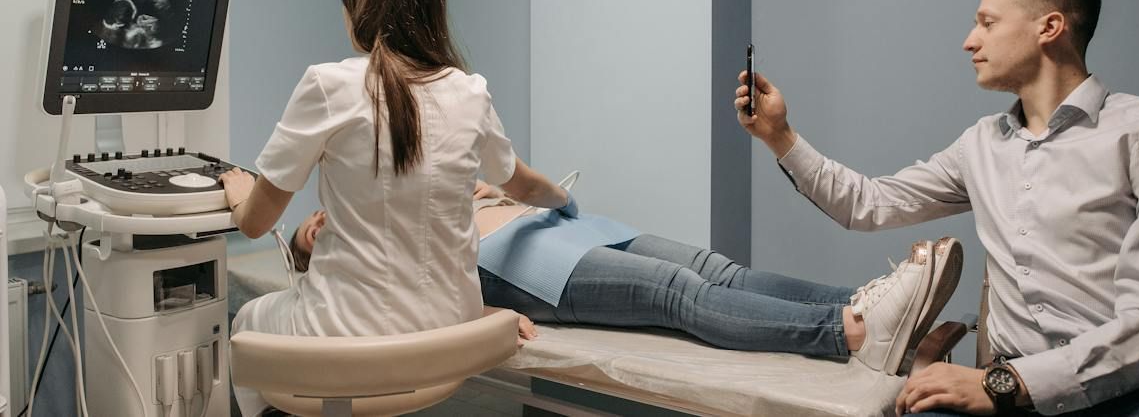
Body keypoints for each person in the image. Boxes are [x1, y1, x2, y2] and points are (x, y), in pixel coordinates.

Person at [734, 0, 1139, 415]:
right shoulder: (981, 144)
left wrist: (1007, 384)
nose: (968, 41)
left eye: (987, 23)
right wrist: (780, 135)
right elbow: (868, 204)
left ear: (1049, 27)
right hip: (1003, 392)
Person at [219, 0, 574, 417]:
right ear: (432, 8)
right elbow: (527, 185)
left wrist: (240, 193)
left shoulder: (328, 85)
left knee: (246, 320)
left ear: (357, 9)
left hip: (352, 337)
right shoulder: (469, 91)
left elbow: (256, 224)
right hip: (451, 334)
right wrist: (564, 202)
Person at [287, 180, 964, 375]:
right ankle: (845, 332)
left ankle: (869, 305)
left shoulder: (398, 175)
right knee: (678, 296)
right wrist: (480, 317)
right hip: (521, 266)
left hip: (561, 226)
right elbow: (408, 290)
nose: (324, 220)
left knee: (717, 267)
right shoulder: (364, 241)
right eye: (316, 230)